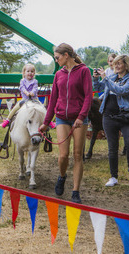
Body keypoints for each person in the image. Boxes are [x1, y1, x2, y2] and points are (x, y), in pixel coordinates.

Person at [39, 43, 93, 203]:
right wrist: (45, 122)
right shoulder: (58, 75)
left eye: (57, 57)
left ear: (66, 55)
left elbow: (89, 97)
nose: (56, 61)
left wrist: (81, 117)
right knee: (63, 155)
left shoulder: (84, 71)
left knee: (77, 155)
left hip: (79, 119)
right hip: (62, 117)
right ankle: (62, 176)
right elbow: (53, 99)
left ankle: (75, 191)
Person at [92, 54, 129, 187]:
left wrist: (105, 79)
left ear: (126, 65)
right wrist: (96, 79)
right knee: (112, 148)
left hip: (126, 116)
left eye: (119, 63)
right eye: (115, 63)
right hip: (108, 116)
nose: (116, 66)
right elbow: (99, 88)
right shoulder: (111, 77)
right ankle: (113, 177)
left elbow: (121, 91)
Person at [0, 63, 56, 128]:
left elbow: (35, 88)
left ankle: (49, 122)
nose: (30, 73)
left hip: (34, 99)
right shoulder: (22, 81)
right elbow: (22, 87)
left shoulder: (35, 81)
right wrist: (26, 92)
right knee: (15, 108)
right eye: (28, 71)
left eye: (32, 71)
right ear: (24, 73)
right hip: (25, 99)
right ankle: (7, 120)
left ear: (34, 73)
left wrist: (32, 93)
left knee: (42, 108)